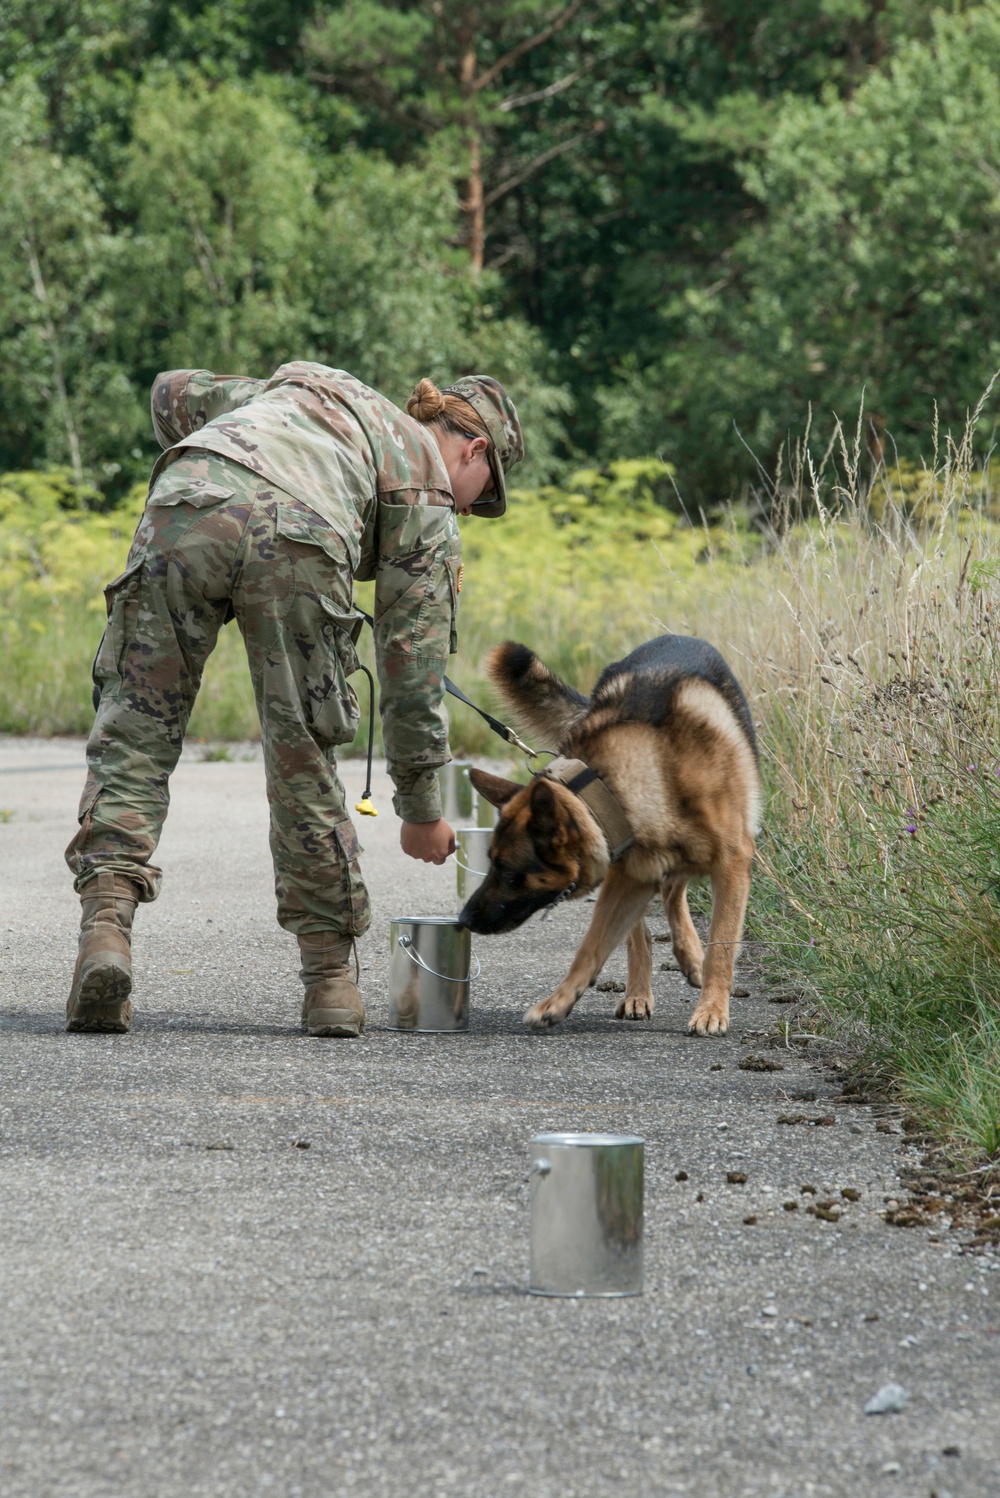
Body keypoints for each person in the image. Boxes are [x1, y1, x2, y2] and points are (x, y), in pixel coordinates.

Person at [64, 362, 523, 1039]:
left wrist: (229, 440)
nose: (467, 510)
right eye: (478, 496)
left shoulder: (308, 388)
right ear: (474, 449)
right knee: (300, 752)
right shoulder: (426, 482)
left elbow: (170, 390)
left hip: (186, 497)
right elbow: (412, 670)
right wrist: (422, 809)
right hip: (300, 532)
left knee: (134, 729)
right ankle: (330, 984)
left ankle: (105, 936)